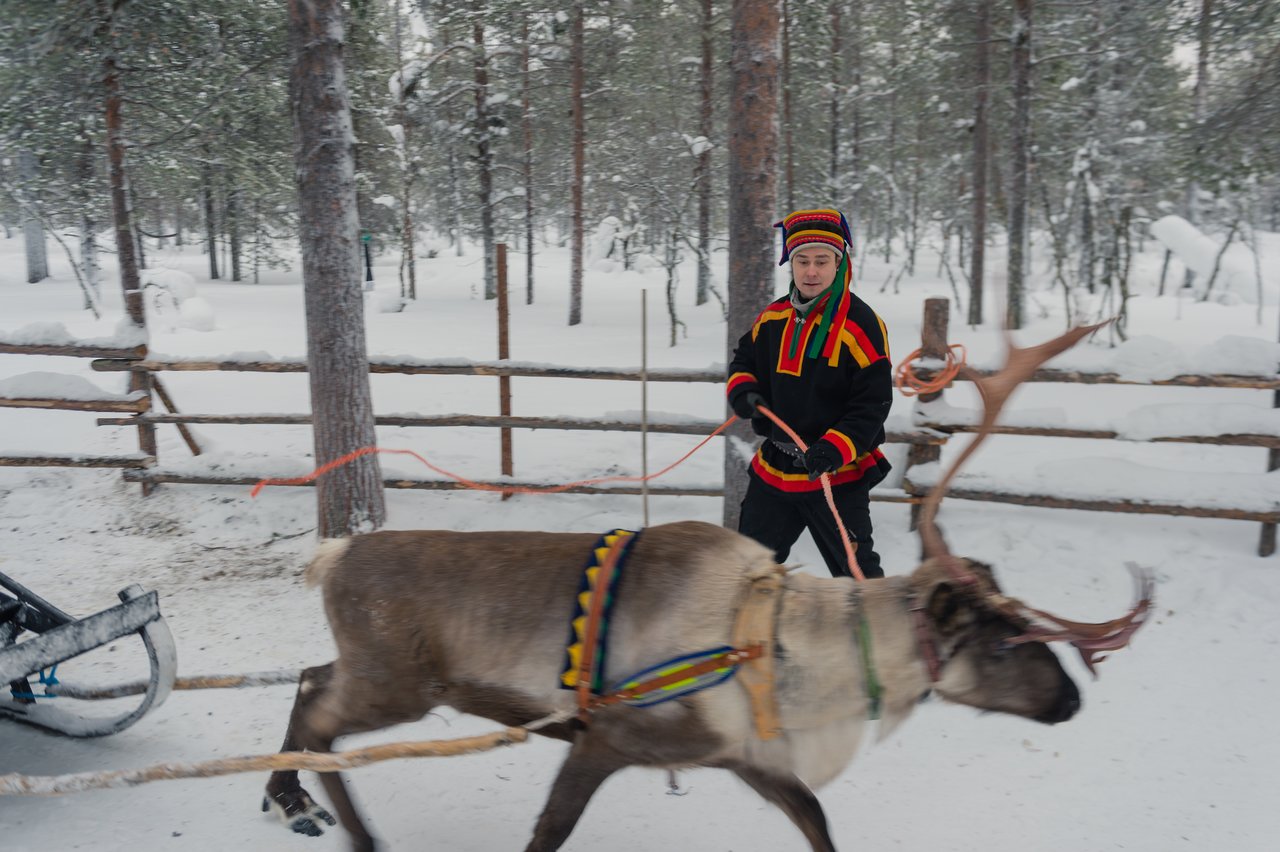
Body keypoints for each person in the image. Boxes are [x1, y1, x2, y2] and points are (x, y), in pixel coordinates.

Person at [726, 208, 893, 579]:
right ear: (791, 264)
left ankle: (867, 637)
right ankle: (756, 638)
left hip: (838, 477)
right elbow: (744, 360)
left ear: (839, 263)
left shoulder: (862, 325)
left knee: (857, 579)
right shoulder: (772, 317)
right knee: (747, 573)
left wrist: (834, 447)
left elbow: (873, 403)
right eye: (802, 260)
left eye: (821, 260)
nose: (811, 271)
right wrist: (744, 390)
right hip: (774, 470)